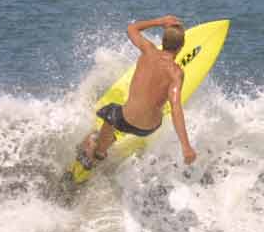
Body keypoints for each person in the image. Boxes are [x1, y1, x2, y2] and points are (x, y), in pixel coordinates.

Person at [77, 14, 197, 170]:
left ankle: (99, 152)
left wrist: (160, 21)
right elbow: (176, 108)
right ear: (182, 46)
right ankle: (108, 141)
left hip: (125, 119)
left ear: (162, 42)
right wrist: (186, 147)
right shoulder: (176, 73)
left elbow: (131, 28)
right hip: (149, 128)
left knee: (110, 112)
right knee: (136, 112)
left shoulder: (148, 50)